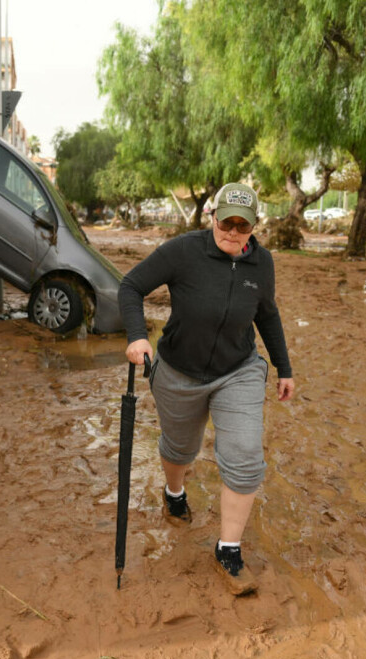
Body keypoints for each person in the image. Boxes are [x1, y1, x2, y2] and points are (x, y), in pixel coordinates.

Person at [118, 182, 295, 595]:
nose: (232, 233)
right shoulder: (183, 251)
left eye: (242, 226)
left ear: (254, 227)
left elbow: (267, 314)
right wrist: (137, 336)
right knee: (180, 449)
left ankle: (228, 549)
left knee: (246, 457)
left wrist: (284, 367)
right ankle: (174, 491)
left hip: (239, 369)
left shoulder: (262, 263)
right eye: (226, 223)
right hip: (178, 370)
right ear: (212, 217)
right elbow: (130, 286)